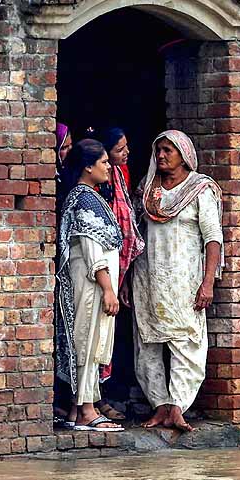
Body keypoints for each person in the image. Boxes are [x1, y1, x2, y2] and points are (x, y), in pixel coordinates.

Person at [131, 130, 223, 432]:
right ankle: (159, 406)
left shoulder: (199, 189)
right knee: (148, 342)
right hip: (149, 276)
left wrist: (207, 282)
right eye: (158, 150)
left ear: (183, 155)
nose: (161, 156)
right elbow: (134, 234)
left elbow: (212, 239)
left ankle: (178, 406)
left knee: (187, 342)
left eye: (168, 150)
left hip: (185, 280)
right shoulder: (147, 190)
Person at [55, 139, 125, 432]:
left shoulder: (89, 196)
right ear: (88, 166)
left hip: (93, 283)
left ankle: (76, 409)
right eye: (104, 162)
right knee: (87, 341)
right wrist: (108, 288)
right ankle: (86, 410)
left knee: (87, 340)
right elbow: (92, 250)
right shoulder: (83, 198)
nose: (110, 167)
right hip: (90, 283)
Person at [92, 129, 145, 418]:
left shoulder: (121, 179)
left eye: (126, 148)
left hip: (118, 268)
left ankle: (114, 393)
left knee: (114, 335)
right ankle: (95, 400)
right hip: (100, 272)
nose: (125, 155)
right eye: (119, 150)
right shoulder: (96, 189)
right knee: (97, 337)